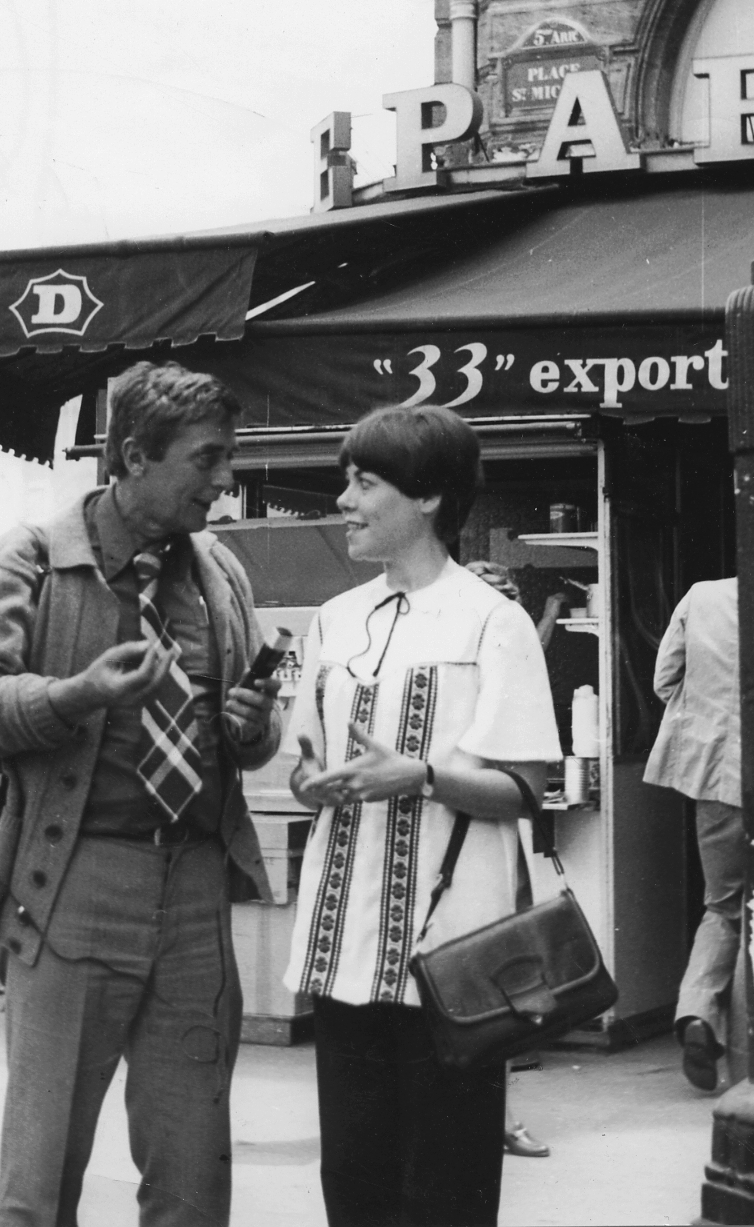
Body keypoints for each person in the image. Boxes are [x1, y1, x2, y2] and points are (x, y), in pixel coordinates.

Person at [0, 360, 283, 1227]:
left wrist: (251, 723)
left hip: (197, 890)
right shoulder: (32, 561)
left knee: (193, 1176)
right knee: (42, 1174)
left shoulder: (220, 575)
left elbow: (251, 740)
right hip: (73, 887)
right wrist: (75, 694)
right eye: (206, 460)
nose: (224, 480)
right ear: (134, 455)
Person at [286, 406, 561, 1227]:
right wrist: (315, 784)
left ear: (431, 497)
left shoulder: (492, 621)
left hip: (450, 961)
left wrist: (420, 775)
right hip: (345, 950)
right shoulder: (334, 619)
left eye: (365, 483)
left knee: (444, 1189)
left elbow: (525, 785)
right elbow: (305, 765)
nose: (345, 500)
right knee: (355, 1182)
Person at [464, 559, 557, 1161]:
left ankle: (497, 1113)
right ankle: (483, 1113)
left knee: (501, 971)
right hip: (450, 839)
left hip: (495, 835)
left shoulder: (512, 651)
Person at [642, 575, 741, 1092]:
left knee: (724, 907)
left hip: (718, 777)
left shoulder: (702, 596)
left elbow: (664, 681)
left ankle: (700, 1014)